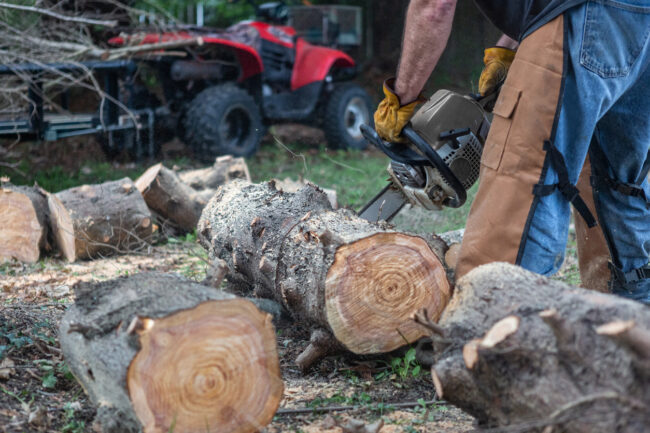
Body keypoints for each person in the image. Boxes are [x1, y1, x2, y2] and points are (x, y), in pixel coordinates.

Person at [373, 0, 650, 303]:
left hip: (581, 15)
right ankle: (626, 322)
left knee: (523, 179)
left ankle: (490, 327)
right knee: (618, 181)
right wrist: (510, 48)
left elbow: (434, 6)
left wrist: (402, 99)